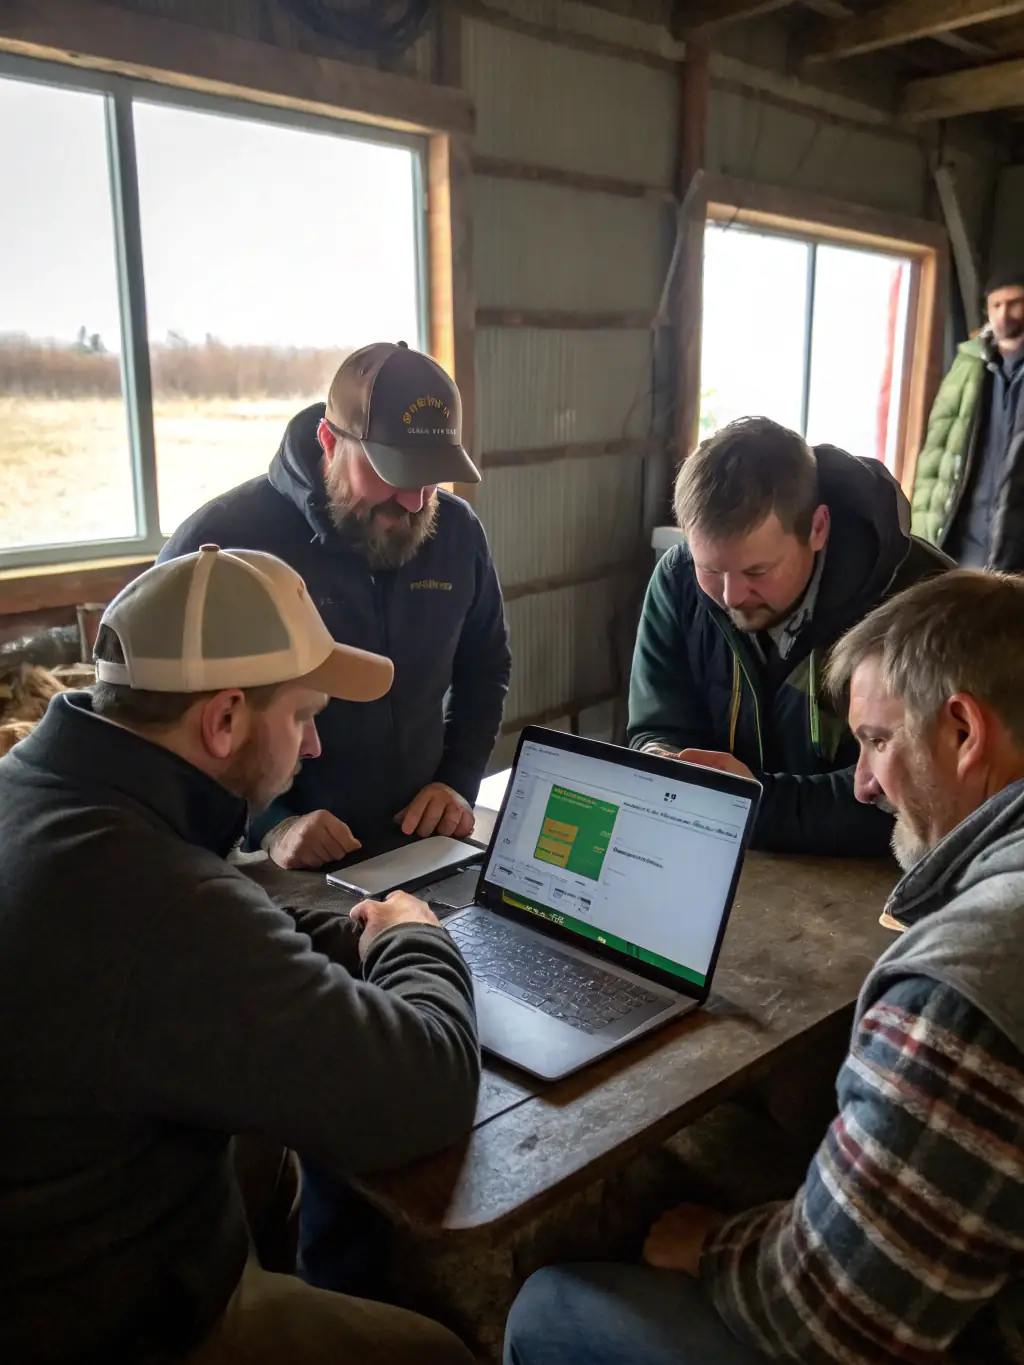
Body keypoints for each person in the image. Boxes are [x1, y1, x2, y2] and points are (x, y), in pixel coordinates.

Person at [505, 568, 1024, 1365]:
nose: (861, 781)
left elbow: (836, 1321)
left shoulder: (968, 981)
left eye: (879, 740)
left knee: (546, 1307)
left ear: (963, 730)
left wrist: (714, 1245)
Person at [0, 546, 480, 1365]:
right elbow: (425, 1087)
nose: (316, 745)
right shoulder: (153, 897)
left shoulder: (45, 791)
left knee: (279, 1162)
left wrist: (350, 928)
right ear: (223, 720)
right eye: (301, 716)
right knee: (438, 1352)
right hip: (110, 1319)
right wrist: (412, 939)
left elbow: (217, 935)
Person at [160, 341, 511, 872]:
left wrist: (456, 780)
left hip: (419, 842)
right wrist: (270, 821)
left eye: (431, 476)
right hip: (276, 859)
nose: (415, 501)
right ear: (329, 441)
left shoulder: (456, 532)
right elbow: (169, 719)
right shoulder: (224, 543)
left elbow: (485, 665)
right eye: (394, 472)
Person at [627, 416, 950, 855]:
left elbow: (912, 796)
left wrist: (754, 803)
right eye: (711, 569)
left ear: (818, 528)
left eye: (756, 571)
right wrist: (663, 758)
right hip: (726, 856)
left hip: (875, 885)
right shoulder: (678, 581)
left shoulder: (920, 603)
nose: (730, 595)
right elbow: (659, 724)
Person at [911, 267, 1024, 571]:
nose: (1004, 314)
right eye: (996, 305)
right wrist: (922, 530)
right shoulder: (969, 365)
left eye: (1014, 302)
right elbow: (937, 448)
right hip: (964, 541)